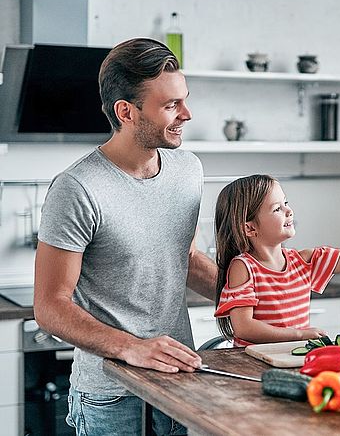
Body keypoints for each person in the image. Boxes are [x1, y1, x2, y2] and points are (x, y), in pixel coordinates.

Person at [34, 38, 218, 435]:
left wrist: (258, 298)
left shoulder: (188, 170)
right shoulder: (77, 188)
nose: (187, 114)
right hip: (109, 396)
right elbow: (50, 306)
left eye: (184, 100)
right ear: (126, 111)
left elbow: (184, 258)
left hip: (176, 380)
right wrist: (131, 347)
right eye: (171, 105)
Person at [213, 175, 340, 345]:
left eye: (286, 203)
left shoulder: (304, 261)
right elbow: (244, 328)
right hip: (253, 361)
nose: (288, 211)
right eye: (277, 209)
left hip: (292, 358)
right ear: (249, 228)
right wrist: (300, 335)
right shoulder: (243, 267)